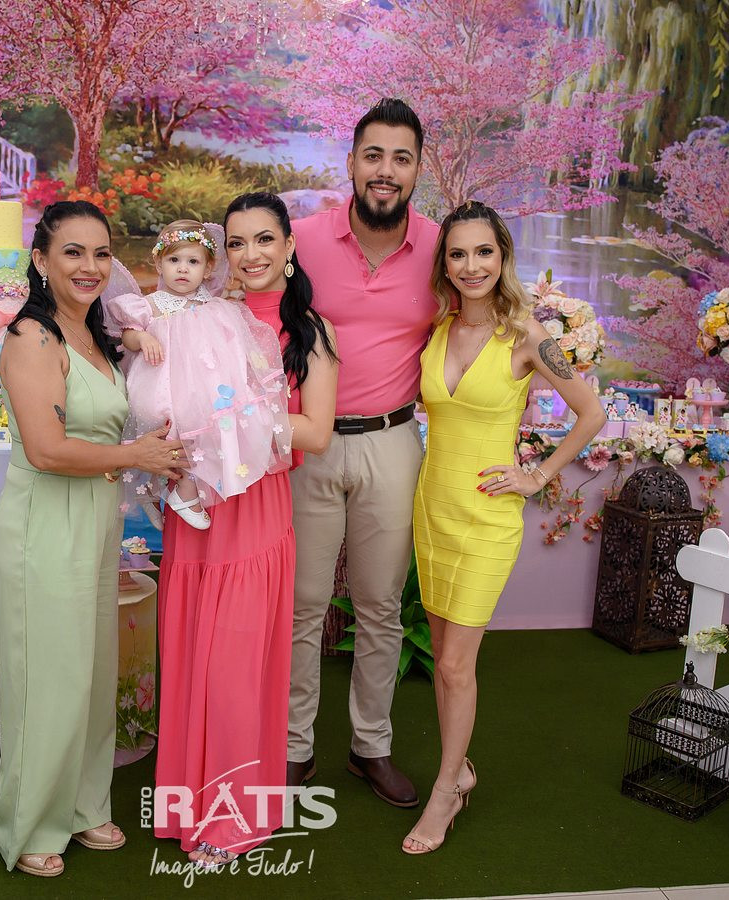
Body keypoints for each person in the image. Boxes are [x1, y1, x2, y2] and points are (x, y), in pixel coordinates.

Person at [0, 200, 185, 878]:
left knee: (91, 671)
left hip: (96, 519)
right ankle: (31, 823)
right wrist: (136, 455)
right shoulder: (32, 337)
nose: (90, 266)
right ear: (40, 260)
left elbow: (110, 428)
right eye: (72, 251)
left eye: (101, 253)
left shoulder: (97, 336)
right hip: (44, 520)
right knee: (47, 675)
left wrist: (157, 446)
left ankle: (83, 805)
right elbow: (46, 449)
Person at [403, 200, 604, 854]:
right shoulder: (436, 330)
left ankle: (445, 790)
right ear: (445, 264)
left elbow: (591, 414)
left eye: (483, 252)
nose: (471, 266)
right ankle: (457, 768)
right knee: (443, 661)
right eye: (458, 254)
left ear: (502, 257)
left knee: (455, 665)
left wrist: (536, 475)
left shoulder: (526, 336)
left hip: (487, 518)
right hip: (433, 508)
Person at [153, 192, 337, 869]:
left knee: (234, 665)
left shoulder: (309, 330)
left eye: (264, 239)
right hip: (195, 508)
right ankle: (185, 807)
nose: (250, 254)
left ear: (288, 246)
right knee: (190, 653)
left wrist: (237, 420)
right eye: (236, 242)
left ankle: (231, 818)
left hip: (255, 508)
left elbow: (316, 431)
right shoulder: (204, 314)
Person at [287, 98, 439, 807]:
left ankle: (369, 746)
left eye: (400, 158)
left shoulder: (440, 248)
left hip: (392, 442)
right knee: (303, 607)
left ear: (417, 170)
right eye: (373, 155)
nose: (385, 170)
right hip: (308, 444)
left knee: (379, 606)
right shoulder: (300, 241)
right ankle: (294, 746)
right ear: (350, 162)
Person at [104, 218, 293, 530]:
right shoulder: (151, 305)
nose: (182, 269)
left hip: (201, 388)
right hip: (160, 384)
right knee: (163, 432)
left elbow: (232, 344)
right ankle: (151, 488)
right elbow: (128, 334)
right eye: (174, 260)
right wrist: (143, 338)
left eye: (193, 262)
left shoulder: (218, 306)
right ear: (159, 263)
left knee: (208, 427)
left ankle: (185, 489)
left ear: (207, 269)